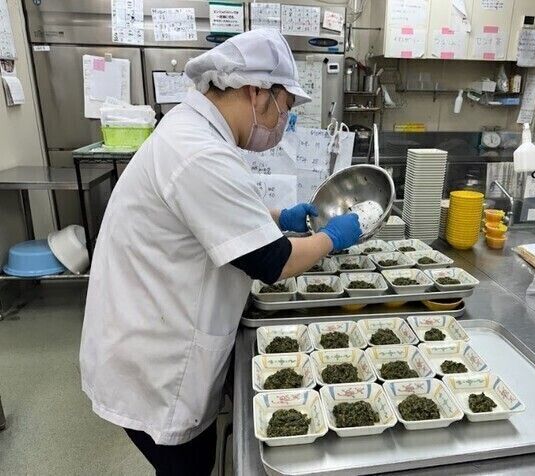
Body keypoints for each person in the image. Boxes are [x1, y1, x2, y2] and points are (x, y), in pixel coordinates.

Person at [79, 29, 361, 475]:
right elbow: (273, 262)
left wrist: (276, 216)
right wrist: (333, 237)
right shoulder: (198, 151)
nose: (284, 122)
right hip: (159, 367)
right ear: (256, 92)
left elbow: (208, 214)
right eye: (286, 107)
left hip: (151, 336)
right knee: (187, 467)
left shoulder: (193, 132)